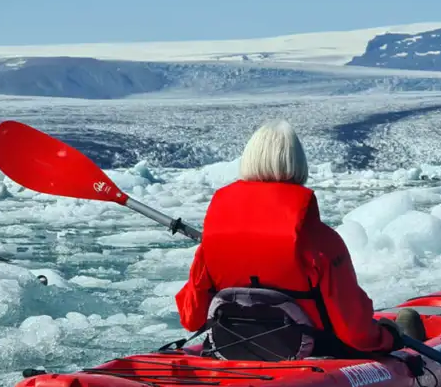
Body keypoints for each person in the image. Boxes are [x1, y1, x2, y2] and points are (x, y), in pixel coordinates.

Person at [175, 120, 424, 360]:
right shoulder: (322, 242)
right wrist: (390, 338)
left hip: (232, 349)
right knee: (405, 323)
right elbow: (355, 332)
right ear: (298, 164)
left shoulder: (213, 242)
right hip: (316, 353)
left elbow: (191, 318)